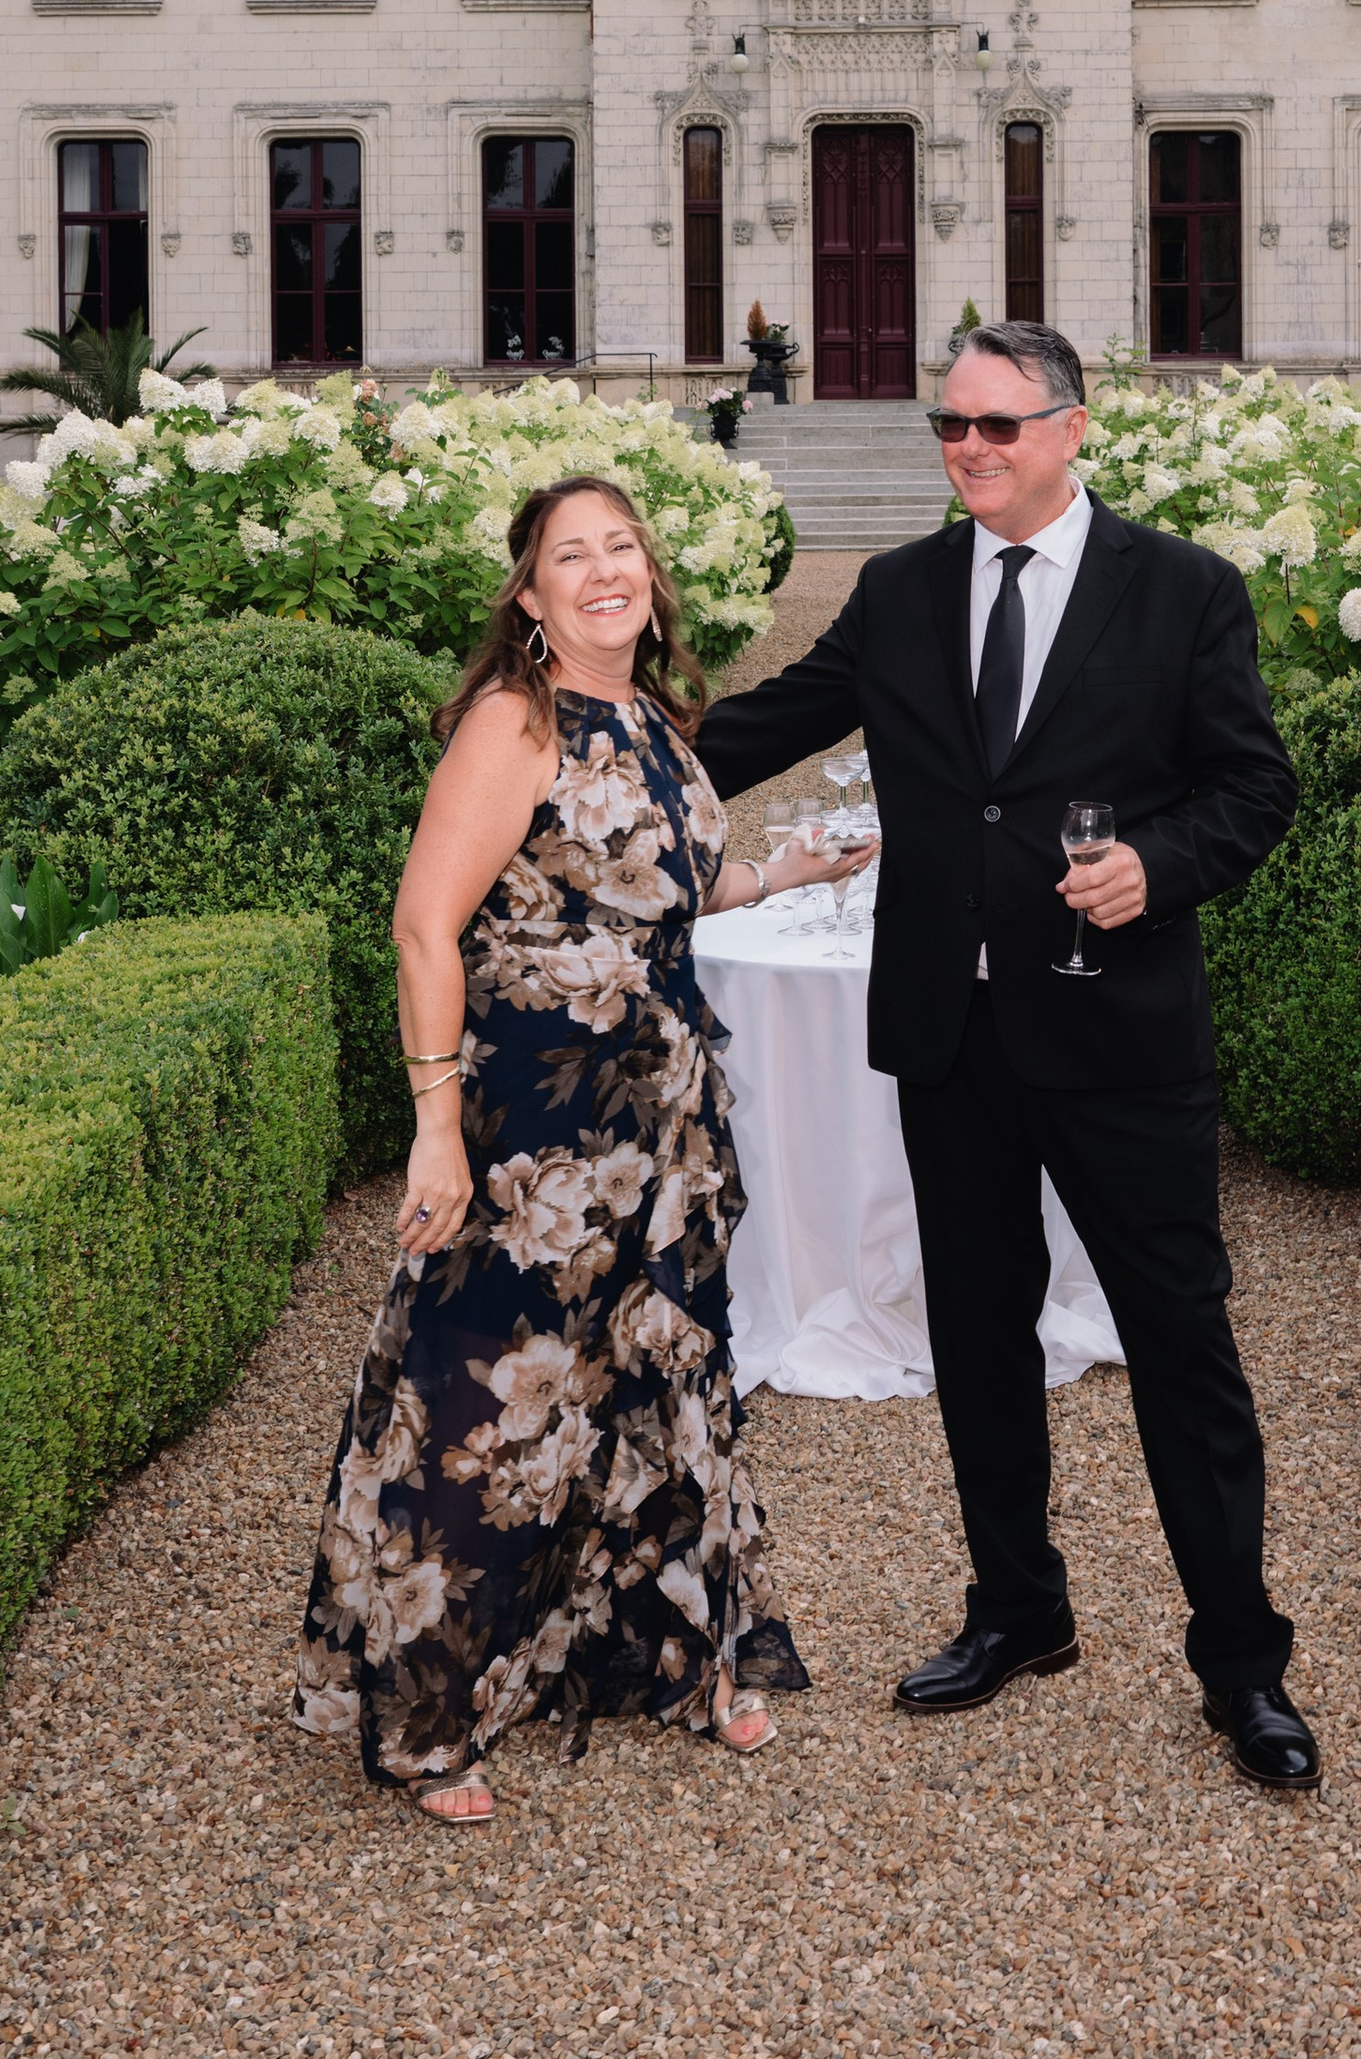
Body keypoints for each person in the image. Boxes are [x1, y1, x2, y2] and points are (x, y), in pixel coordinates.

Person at [694, 320, 1318, 1792]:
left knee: (1183, 1347)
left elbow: (1254, 786)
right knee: (976, 1336)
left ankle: (1244, 1667)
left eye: (997, 425)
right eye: (950, 428)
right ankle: (1017, 1609)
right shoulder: (902, 589)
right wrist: (567, 748)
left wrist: (1155, 866)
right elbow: (767, 724)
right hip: (949, 1030)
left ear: (1072, 426)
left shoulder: (1183, 591)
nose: (969, 449)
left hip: (1122, 1035)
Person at [291, 472, 867, 1822]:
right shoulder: (516, 718)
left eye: (623, 548)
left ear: (652, 576)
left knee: (660, 1381)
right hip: (536, 1139)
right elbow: (424, 922)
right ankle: (433, 1718)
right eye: (573, 554)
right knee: (502, 1397)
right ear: (529, 592)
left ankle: (679, 1655)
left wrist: (790, 870)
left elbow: (663, 885)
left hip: (659, 1119)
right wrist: (435, 1129)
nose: (606, 569)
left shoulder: (655, 720)